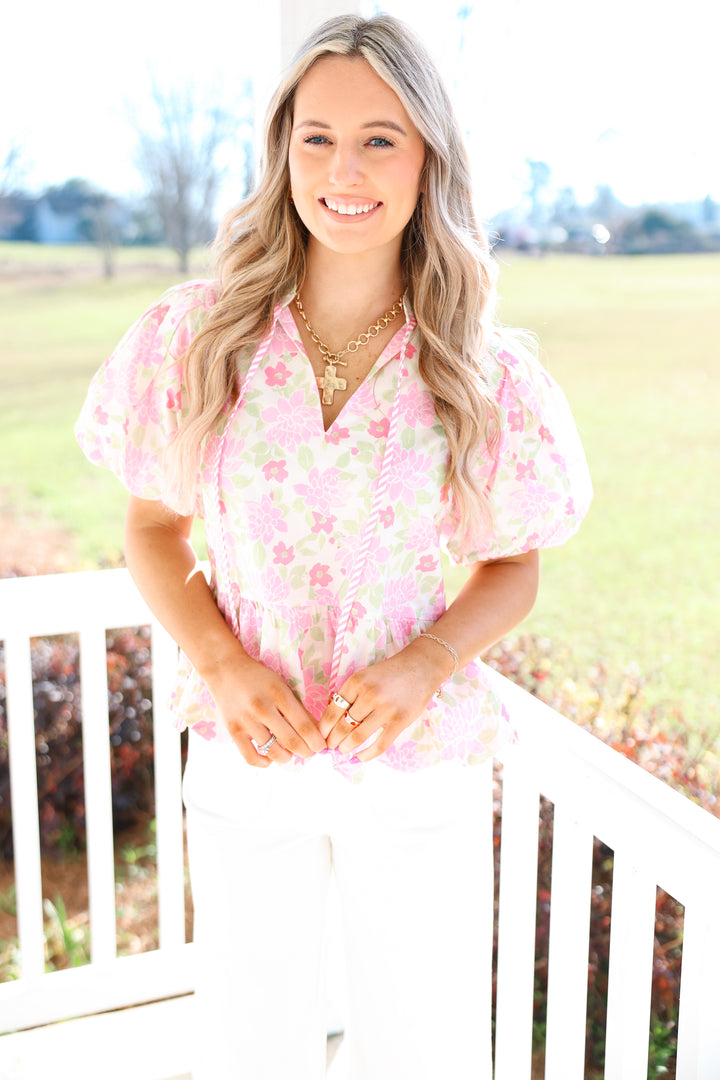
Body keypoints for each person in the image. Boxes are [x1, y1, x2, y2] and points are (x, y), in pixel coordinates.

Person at [76, 13, 592, 1080]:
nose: (343, 169)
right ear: (282, 151)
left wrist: (426, 661)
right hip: (243, 754)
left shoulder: (478, 370)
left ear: (427, 158)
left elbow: (514, 564)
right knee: (244, 1048)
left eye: (380, 138)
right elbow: (151, 528)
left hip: (415, 765)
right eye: (317, 136)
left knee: (423, 1052)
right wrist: (221, 663)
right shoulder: (198, 336)